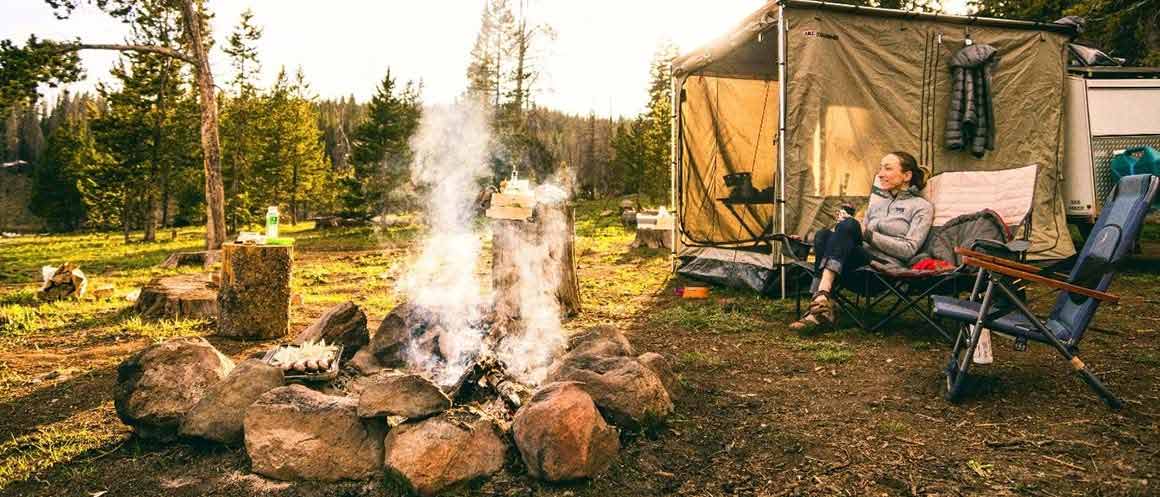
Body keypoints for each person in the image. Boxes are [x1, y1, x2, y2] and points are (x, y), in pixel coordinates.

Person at [790, 151, 933, 331]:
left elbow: (909, 249)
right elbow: (855, 237)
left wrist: (866, 233)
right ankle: (822, 301)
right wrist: (841, 229)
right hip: (856, 265)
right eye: (880, 168)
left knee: (847, 226)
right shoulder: (877, 205)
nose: (880, 174)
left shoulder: (922, 207)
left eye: (887, 168)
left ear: (907, 175)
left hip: (883, 270)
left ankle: (819, 300)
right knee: (824, 235)